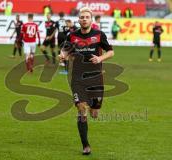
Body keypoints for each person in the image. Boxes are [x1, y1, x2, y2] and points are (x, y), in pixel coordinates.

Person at [59, 7, 114, 155]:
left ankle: (94, 108)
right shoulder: (72, 35)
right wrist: (62, 55)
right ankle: (86, 145)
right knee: (82, 109)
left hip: (95, 78)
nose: (84, 19)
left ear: (91, 20)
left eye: (86, 17)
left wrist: (100, 58)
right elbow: (64, 49)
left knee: (94, 112)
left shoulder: (99, 35)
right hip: (77, 78)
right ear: (79, 19)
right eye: (82, 17)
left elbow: (111, 51)